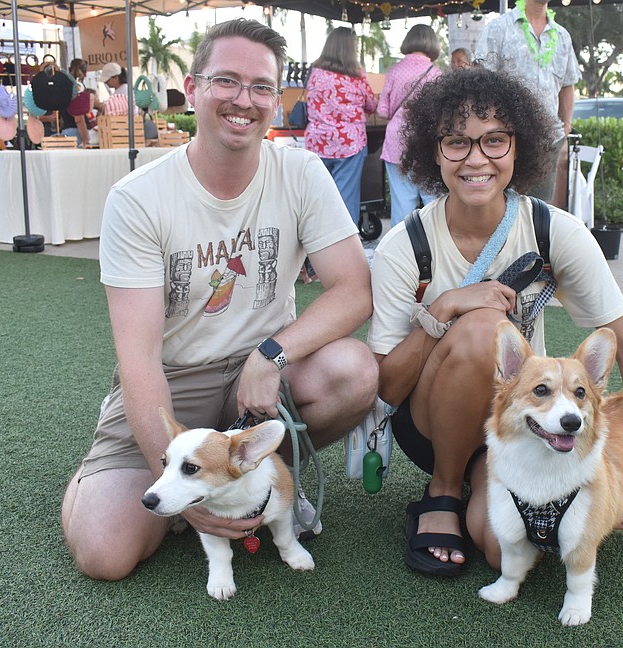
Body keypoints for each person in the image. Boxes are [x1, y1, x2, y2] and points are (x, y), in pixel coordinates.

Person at [61, 18, 379, 581]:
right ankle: (118, 476)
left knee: (353, 371)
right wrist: (187, 494)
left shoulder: (301, 171)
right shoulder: (139, 199)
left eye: (261, 87)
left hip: (260, 374)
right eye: (226, 81)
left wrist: (271, 353)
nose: (244, 100)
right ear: (194, 86)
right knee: (104, 552)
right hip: (175, 377)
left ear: (277, 100)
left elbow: (354, 290)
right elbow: (138, 359)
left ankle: (256, 482)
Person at [368, 67, 623, 576]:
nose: (476, 159)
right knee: (484, 326)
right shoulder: (406, 246)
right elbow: (388, 389)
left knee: (499, 549)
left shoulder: (555, 232)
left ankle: (477, 492)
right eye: (457, 142)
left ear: (518, 147)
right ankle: (442, 490)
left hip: (517, 424)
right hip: (428, 425)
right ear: (433, 151)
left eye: (494, 140)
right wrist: (445, 309)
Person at [475, 0, 581, 210]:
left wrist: (566, 126)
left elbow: (568, 85)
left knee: (540, 210)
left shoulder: (561, 36)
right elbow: (480, 81)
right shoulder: (499, 28)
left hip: (549, 139)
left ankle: (535, 244)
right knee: (503, 206)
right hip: (508, 138)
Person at [305, 27, 377, 227]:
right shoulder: (357, 76)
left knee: (317, 198)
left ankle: (313, 246)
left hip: (318, 142)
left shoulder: (315, 73)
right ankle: (343, 248)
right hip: (349, 143)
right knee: (345, 198)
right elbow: (372, 104)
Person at [376, 24, 442, 228]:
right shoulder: (436, 73)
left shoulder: (394, 71)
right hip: (426, 141)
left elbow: (382, 111)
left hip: (396, 142)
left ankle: (400, 252)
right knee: (433, 199)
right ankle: (436, 246)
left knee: (402, 202)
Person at [61, 58, 93, 147]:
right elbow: (79, 118)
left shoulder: (65, 87)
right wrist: (86, 139)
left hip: (67, 130)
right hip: (77, 132)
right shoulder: (77, 89)